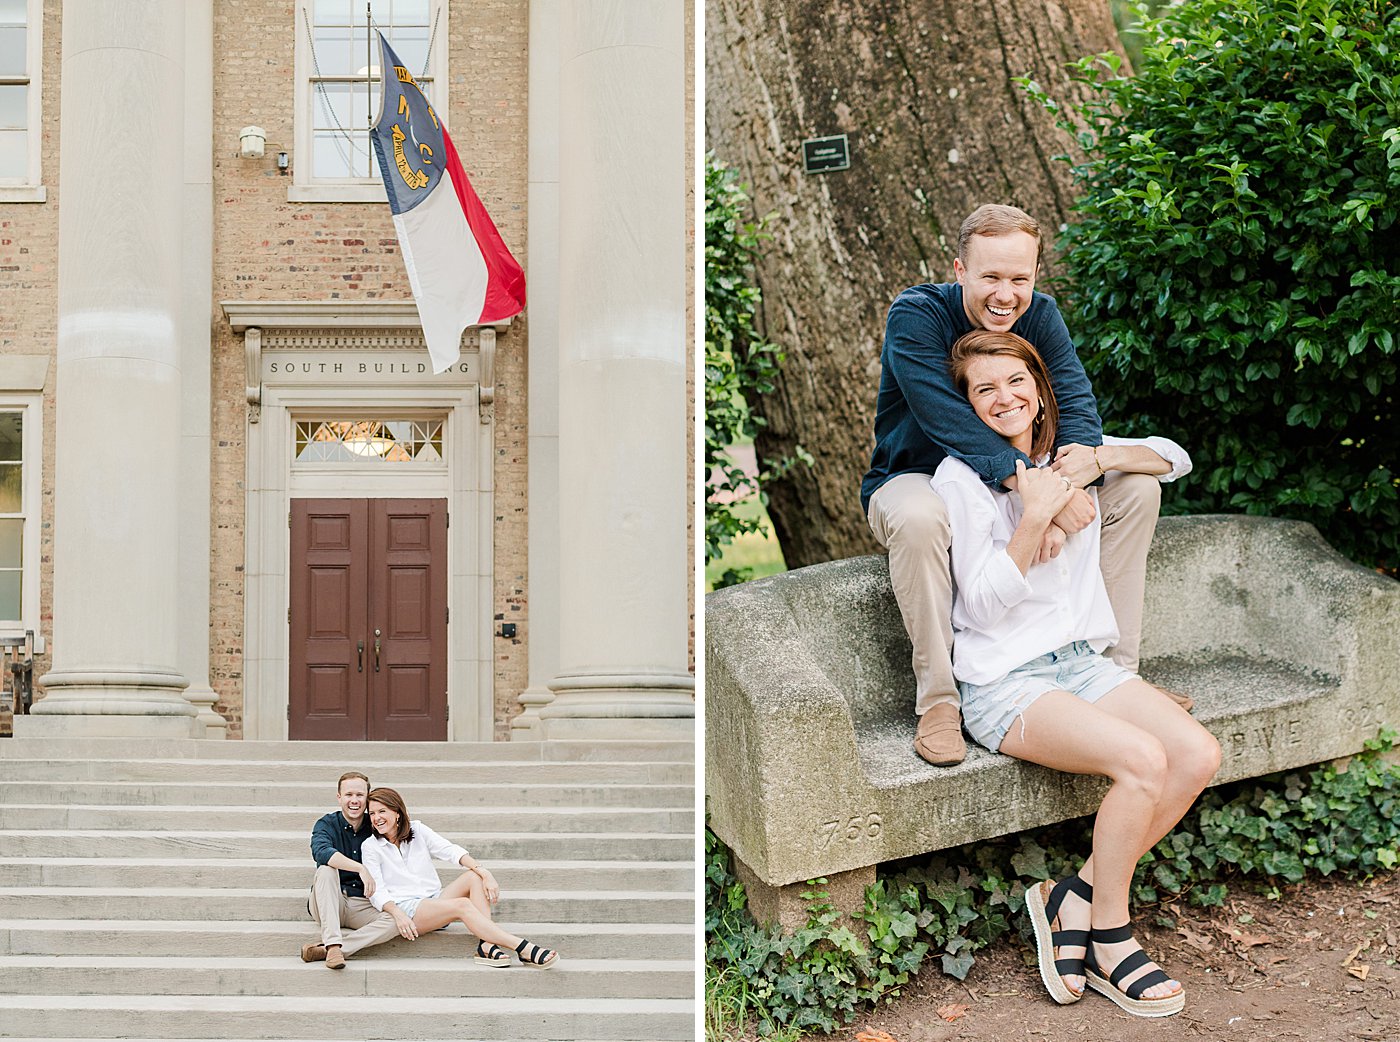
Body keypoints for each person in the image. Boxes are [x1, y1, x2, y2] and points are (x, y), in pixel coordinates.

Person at [932, 329, 1221, 1017]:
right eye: (984, 389)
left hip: (1078, 665)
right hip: (1004, 680)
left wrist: (1092, 462)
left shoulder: (1067, 456)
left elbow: (1173, 459)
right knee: (1144, 761)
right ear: (967, 404)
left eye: (1015, 382)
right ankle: (1113, 939)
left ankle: (1074, 896)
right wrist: (1034, 520)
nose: (1003, 398)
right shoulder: (960, 478)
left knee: (1197, 752)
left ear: (1039, 389)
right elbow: (978, 603)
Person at [861, 203, 1189, 768]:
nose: (1005, 295)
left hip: (1025, 476)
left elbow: (1076, 407)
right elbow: (947, 418)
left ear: (1035, 275)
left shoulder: (1041, 315)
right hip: (918, 474)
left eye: (1020, 279)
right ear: (960, 269)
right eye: (990, 277)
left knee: (1137, 490)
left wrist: (1068, 481)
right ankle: (939, 702)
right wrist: (1045, 500)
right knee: (917, 519)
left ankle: (1116, 674)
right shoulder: (916, 314)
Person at [361, 786, 560, 969]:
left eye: (382, 811)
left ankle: (487, 945)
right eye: (372, 814)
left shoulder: (418, 830)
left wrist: (484, 872)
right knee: (463, 905)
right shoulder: (370, 846)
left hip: (435, 901)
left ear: (397, 812)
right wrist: (398, 914)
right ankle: (523, 948)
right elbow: (376, 891)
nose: (376, 818)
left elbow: (450, 851)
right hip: (409, 912)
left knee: (474, 877)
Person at [302, 771, 398, 969]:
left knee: (396, 920)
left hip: (362, 904)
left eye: (359, 795)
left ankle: (332, 950)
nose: (354, 800)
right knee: (326, 870)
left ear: (367, 798)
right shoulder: (326, 824)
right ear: (339, 798)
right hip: (329, 901)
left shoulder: (376, 826)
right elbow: (321, 853)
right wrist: (360, 868)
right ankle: (333, 943)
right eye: (349, 795)